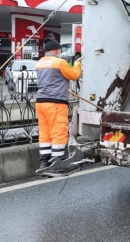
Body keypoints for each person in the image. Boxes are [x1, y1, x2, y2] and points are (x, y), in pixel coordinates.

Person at [35, 36, 82, 171]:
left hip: (41, 102)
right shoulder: (59, 62)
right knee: (59, 132)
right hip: (55, 102)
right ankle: (58, 164)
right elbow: (74, 75)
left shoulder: (40, 63)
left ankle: (44, 162)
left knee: (45, 133)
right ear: (56, 51)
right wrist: (78, 64)